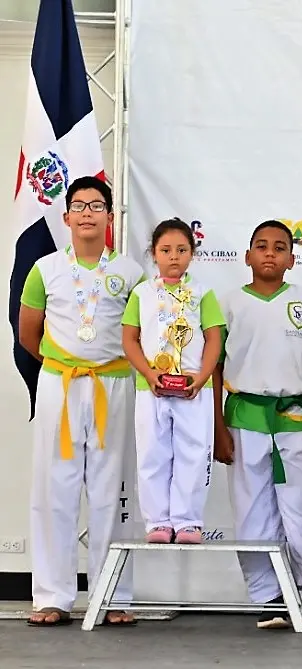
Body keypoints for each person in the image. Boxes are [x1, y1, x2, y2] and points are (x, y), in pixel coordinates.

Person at [18, 177, 144, 627]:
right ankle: (52, 595)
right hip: (62, 384)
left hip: (114, 383)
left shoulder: (131, 273)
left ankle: (113, 595)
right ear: (66, 216)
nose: (87, 212)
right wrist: (65, 362)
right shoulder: (46, 269)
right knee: (54, 488)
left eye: (97, 205)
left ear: (110, 216)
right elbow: (28, 333)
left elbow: (142, 334)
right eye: (79, 205)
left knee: (114, 489)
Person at [212, 220, 302, 629]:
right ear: (247, 256)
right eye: (261, 246)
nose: (270, 253)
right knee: (251, 512)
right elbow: (213, 369)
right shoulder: (226, 304)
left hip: (296, 419)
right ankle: (270, 596)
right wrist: (217, 428)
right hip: (244, 416)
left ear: (292, 259)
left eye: (279, 247)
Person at [122, 218, 224, 545]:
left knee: (193, 455)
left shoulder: (202, 294)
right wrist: (149, 374)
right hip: (150, 389)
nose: (174, 256)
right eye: (166, 250)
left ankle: (188, 521)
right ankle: (158, 522)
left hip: (194, 390)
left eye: (182, 250)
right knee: (153, 453)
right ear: (154, 253)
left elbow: (214, 339)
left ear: (192, 253)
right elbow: (130, 339)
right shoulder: (141, 294)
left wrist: (202, 376)